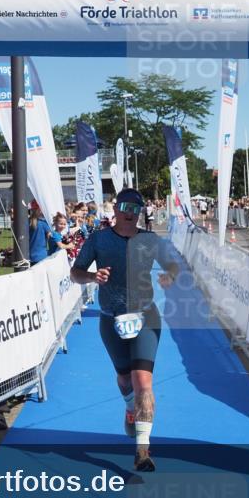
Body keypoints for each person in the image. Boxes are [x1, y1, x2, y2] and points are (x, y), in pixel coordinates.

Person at [69, 189, 180, 472]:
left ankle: (142, 450)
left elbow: (174, 264)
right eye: (125, 206)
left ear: (141, 211)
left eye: (136, 207)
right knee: (124, 379)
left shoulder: (150, 239)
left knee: (144, 382)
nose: (130, 212)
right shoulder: (98, 239)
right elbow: (75, 272)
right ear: (116, 209)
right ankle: (130, 407)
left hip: (146, 317)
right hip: (111, 319)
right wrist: (93, 276)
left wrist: (170, 275)